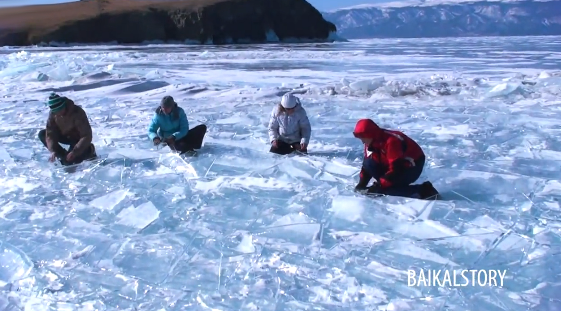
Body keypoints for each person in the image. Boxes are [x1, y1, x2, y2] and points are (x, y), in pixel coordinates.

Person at [352, 118, 440, 200]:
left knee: (387, 190)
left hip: (411, 166)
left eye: (363, 138)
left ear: (371, 134)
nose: (363, 141)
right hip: (393, 165)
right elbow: (367, 166)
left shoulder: (391, 141)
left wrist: (379, 185)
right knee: (369, 163)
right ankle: (386, 185)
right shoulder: (370, 142)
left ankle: (424, 190)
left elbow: (396, 169)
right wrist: (361, 184)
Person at [38, 93, 97, 166]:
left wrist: (74, 152)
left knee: (75, 159)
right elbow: (50, 134)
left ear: (63, 107)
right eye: (55, 112)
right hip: (65, 136)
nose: (57, 114)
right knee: (42, 134)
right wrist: (53, 150)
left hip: (77, 139)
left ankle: (89, 151)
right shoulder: (53, 113)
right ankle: (63, 156)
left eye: (59, 111)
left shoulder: (77, 112)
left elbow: (86, 135)